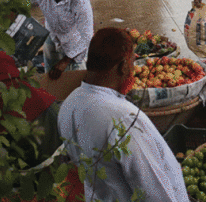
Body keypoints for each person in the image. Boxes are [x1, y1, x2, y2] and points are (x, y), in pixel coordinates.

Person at [57, 28, 189, 202]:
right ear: (123, 66)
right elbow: (155, 191)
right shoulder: (125, 119)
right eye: (133, 61)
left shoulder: (68, 105)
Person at [18, 0, 93, 80]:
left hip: (75, 41)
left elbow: (87, 34)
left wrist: (65, 61)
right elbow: (19, 1)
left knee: (76, 80)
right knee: (51, 77)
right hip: (52, 36)